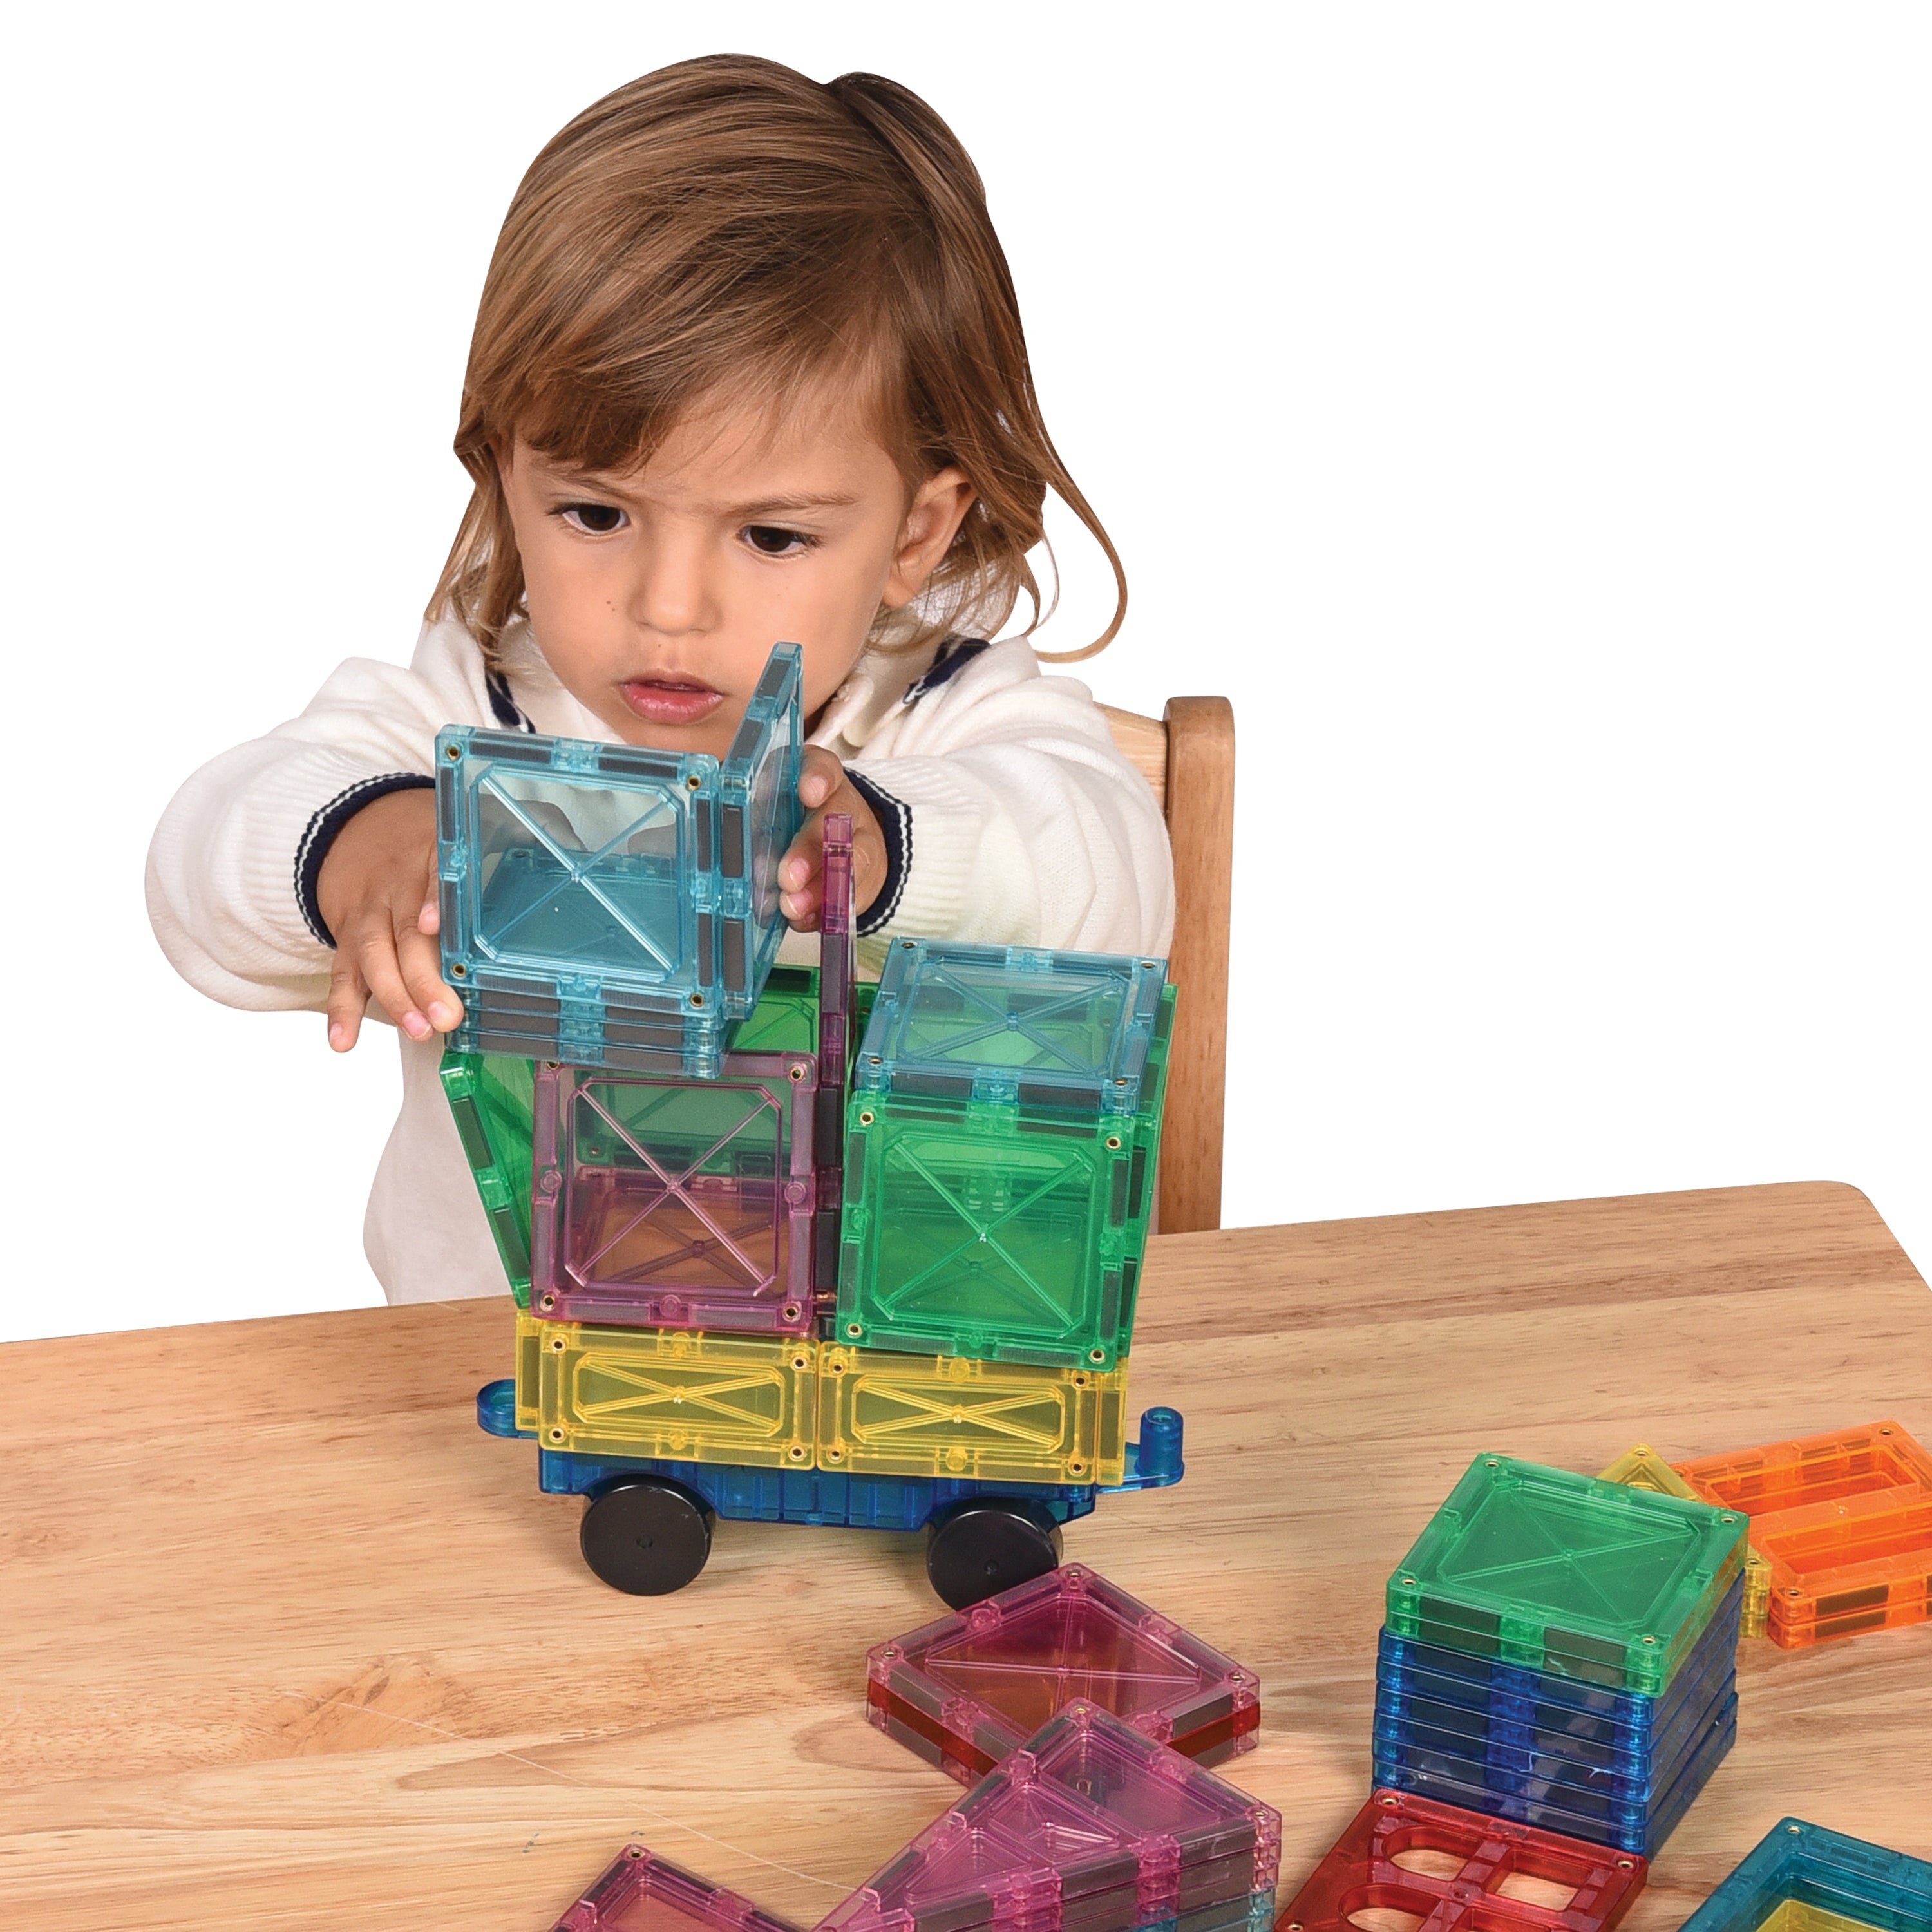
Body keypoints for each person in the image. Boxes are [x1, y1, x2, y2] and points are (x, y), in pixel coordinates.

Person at [146, 55, 1176, 1303]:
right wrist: (368, 839)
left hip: (878, 1374)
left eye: (773, 535)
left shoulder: (949, 708)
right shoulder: (474, 709)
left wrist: (887, 853)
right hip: (489, 1387)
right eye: (594, 512)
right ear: (501, 477)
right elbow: (199, 863)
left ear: (914, 532)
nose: (668, 607)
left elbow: (1119, 886)